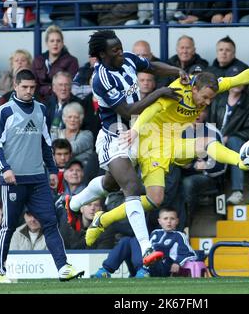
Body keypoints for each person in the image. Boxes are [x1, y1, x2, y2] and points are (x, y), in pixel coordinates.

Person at [81, 41, 249, 252]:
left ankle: (239, 161)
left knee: (204, 144)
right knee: (145, 194)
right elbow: (153, 109)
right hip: (150, 143)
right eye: (204, 98)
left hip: (173, 141)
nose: (207, 103)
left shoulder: (210, 84)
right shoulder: (178, 90)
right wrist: (136, 130)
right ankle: (103, 218)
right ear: (194, 89)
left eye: (211, 99)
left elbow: (242, 77)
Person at [67, 29, 189, 266]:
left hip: (138, 134)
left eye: (121, 47)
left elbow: (152, 66)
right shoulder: (101, 79)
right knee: (131, 185)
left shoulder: (128, 59)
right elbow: (127, 110)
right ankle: (146, 248)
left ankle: (71, 203)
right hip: (115, 138)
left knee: (109, 184)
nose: (121, 52)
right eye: (115, 50)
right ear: (102, 54)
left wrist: (178, 70)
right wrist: (160, 92)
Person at [0, 69, 83, 283]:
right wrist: (4, 169)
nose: (29, 91)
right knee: (8, 226)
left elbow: (46, 143)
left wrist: (52, 171)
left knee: (50, 222)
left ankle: (63, 268)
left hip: (38, 179)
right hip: (13, 180)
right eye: (24, 87)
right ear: (15, 86)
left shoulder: (41, 109)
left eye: (32, 87)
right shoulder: (5, 111)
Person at [94, 207, 197, 278]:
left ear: (177, 221)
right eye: (165, 219)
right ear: (159, 221)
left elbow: (189, 253)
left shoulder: (179, 235)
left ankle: (144, 270)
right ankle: (105, 270)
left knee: (134, 240)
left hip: (161, 268)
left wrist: (177, 263)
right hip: (143, 265)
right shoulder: (155, 233)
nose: (169, 222)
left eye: (172, 219)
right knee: (126, 241)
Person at [208, 80, 249, 204]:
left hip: (239, 141)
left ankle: (238, 191)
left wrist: (228, 137)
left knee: (234, 142)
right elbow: (210, 123)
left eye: (240, 79)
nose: (237, 82)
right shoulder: (218, 99)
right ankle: (215, 193)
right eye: (234, 79)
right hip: (216, 139)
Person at [32, 25, 79, 99]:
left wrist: (46, 89)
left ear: (62, 43)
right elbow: (33, 83)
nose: (55, 44)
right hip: (38, 99)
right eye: (52, 41)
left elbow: (69, 86)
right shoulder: (38, 60)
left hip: (60, 99)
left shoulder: (72, 61)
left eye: (58, 41)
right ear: (47, 43)